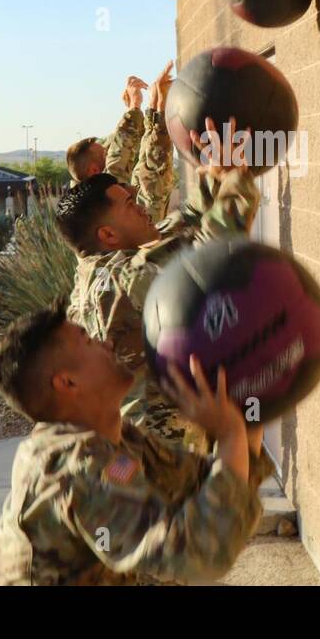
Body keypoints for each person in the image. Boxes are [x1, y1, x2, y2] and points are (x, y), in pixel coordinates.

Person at [0, 306, 271, 585]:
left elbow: (206, 484)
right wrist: (230, 435)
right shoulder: (75, 466)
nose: (106, 342)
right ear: (67, 383)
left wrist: (246, 413)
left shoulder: (116, 439)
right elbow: (196, 555)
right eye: (89, 341)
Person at [56, 117, 257, 452]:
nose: (141, 206)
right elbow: (213, 254)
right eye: (130, 205)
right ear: (108, 236)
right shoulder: (123, 282)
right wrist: (236, 178)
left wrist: (212, 178)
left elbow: (172, 232)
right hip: (164, 460)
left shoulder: (96, 271)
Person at [66, 75, 149, 183]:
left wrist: (133, 110)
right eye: (107, 155)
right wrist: (135, 106)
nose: (111, 152)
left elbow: (123, 144)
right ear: (94, 170)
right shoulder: (101, 198)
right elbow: (116, 168)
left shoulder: (96, 194)